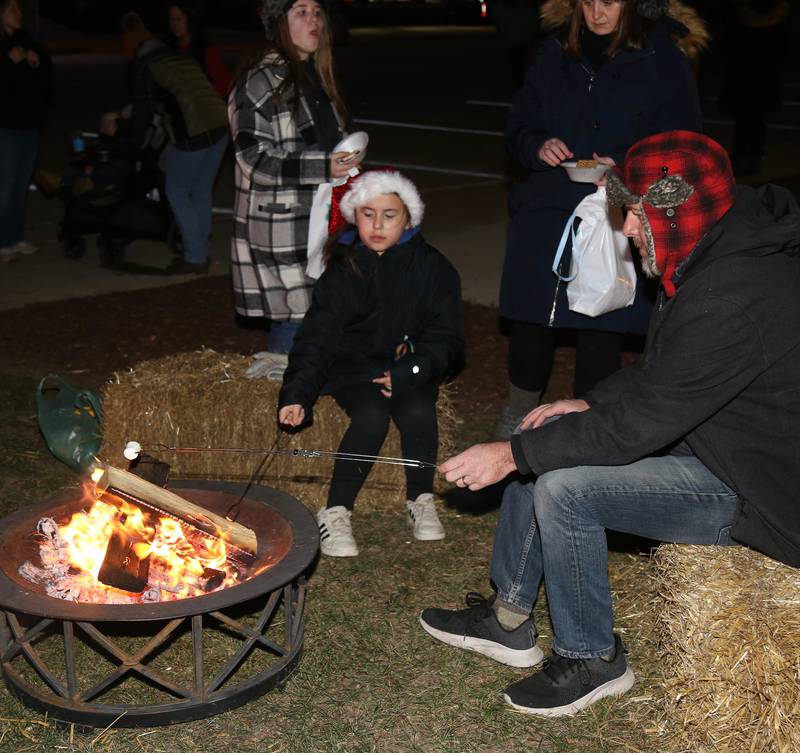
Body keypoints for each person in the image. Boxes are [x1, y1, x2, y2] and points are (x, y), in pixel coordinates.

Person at [420, 130, 800, 717]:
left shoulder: (731, 294)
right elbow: (664, 377)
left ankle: (593, 659)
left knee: (563, 484)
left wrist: (511, 454)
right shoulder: (719, 249)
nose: (624, 230)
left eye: (635, 216)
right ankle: (508, 619)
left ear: (675, 214)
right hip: (719, 439)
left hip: (762, 485)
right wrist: (587, 403)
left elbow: (644, 421)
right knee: (544, 432)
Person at [496, 0, 706, 436]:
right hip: (548, 202)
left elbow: (683, 138)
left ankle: (586, 424)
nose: (596, 12)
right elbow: (520, 122)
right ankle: (517, 414)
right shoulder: (554, 50)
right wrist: (537, 144)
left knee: (601, 320)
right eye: (587, 1)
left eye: (608, 1)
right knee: (532, 315)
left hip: (619, 204)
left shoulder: (659, 55)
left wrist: (631, 166)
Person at [278, 170, 464, 557]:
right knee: (371, 415)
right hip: (354, 368)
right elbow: (317, 337)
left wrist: (409, 371)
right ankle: (336, 510)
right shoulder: (343, 269)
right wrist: (298, 394)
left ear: (409, 218)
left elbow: (446, 339)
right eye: (368, 214)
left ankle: (420, 497)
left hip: (411, 363)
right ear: (354, 216)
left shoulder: (434, 268)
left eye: (389, 215)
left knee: (417, 410)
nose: (377, 225)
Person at [228, 0, 357, 379]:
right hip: (282, 226)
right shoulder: (261, 79)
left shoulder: (313, 77)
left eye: (318, 12)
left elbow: (326, 144)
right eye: (301, 11)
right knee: (294, 322)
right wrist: (324, 165)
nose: (314, 20)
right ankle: (277, 413)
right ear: (278, 22)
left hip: (320, 219)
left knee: (319, 318)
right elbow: (253, 157)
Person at [122, 11, 229, 274]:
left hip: (193, 132)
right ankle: (199, 246)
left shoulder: (146, 65)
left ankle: (195, 257)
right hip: (221, 125)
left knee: (177, 191)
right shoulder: (178, 57)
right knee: (201, 190)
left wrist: (130, 143)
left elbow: (144, 113)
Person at [0, 0, 53, 263]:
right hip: (5, 127)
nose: (19, 14)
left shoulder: (26, 40)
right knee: (6, 186)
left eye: (20, 9)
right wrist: (9, 62)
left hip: (28, 124)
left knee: (21, 186)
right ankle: (3, 241)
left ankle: (16, 237)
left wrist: (35, 62)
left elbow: (44, 76)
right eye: (13, 10)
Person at [166, 1, 233, 97]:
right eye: (171, 19)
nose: (175, 24)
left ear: (189, 19)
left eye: (179, 19)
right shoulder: (169, 49)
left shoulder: (205, 50)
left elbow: (224, 84)